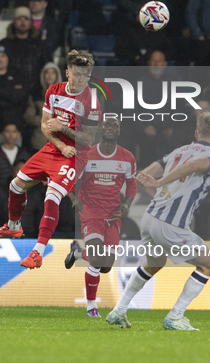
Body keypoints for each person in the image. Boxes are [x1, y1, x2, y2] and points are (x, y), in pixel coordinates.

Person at [106, 112, 210, 331]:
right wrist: (161, 182)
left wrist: (159, 191)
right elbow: (192, 167)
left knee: (154, 264)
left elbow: (142, 176)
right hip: (171, 224)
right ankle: (175, 316)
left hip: (150, 218)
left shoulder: (178, 151)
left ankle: (119, 310)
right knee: (208, 264)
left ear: (196, 133)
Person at [0, 50, 101, 269]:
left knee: (52, 197)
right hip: (55, 148)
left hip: (77, 155)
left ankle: (37, 253)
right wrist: (60, 144)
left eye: (86, 75)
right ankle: (13, 226)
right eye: (78, 74)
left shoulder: (92, 101)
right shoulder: (54, 91)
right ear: (68, 73)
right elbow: (44, 125)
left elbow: (88, 138)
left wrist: (64, 129)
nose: (82, 79)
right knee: (16, 186)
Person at [64, 117, 137, 318]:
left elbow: (132, 184)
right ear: (100, 130)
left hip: (113, 216)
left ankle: (78, 253)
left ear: (119, 131)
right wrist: (72, 197)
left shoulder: (127, 157)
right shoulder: (87, 155)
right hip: (90, 212)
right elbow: (70, 178)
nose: (110, 128)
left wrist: (127, 204)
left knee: (105, 266)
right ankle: (91, 307)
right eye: (106, 125)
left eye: (114, 126)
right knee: (96, 257)